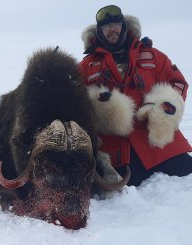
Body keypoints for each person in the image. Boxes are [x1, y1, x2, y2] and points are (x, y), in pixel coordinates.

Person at [79, 5, 192, 186]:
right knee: (118, 187)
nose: (111, 30)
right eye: (106, 27)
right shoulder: (87, 66)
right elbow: (76, 102)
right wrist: (100, 108)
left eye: (115, 24)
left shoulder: (153, 56)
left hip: (159, 141)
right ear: (99, 32)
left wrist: (164, 109)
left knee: (187, 174)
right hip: (117, 150)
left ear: (124, 26)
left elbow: (178, 83)